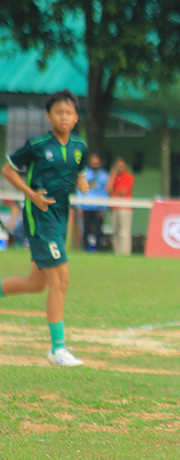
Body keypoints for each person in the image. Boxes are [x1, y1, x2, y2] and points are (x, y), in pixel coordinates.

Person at [1, 90, 89, 366]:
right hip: (40, 216)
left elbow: (78, 171)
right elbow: (8, 170)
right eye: (59, 112)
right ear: (49, 116)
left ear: (75, 118)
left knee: (36, 284)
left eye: (69, 113)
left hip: (60, 218)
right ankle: (57, 350)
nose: (64, 117)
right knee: (61, 280)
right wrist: (31, 194)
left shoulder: (79, 147)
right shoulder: (37, 144)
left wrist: (83, 182)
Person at [77, 152, 109, 251]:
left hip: (99, 207)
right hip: (86, 206)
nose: (95, 165)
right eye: (93, 163)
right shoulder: (85, 174)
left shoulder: (104, 175)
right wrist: (79, 206)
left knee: (98, 230)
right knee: (85, 230)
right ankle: (85, 248)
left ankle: (98, 249)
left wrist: (104, 208)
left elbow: (106, 192)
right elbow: (79, 190)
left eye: (97, 163)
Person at [108, 157, 134, 256]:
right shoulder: (113, 177)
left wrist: (113, 194)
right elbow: (108, 189)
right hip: (114, 207)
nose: (120, 168)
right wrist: (112, 177)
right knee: (115, 232)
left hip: (125, 208)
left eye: (121, 166)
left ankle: (125, 253)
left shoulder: (128, 177)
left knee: (124, 232)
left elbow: (123, 191)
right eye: (118, 166)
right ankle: (117, 253)